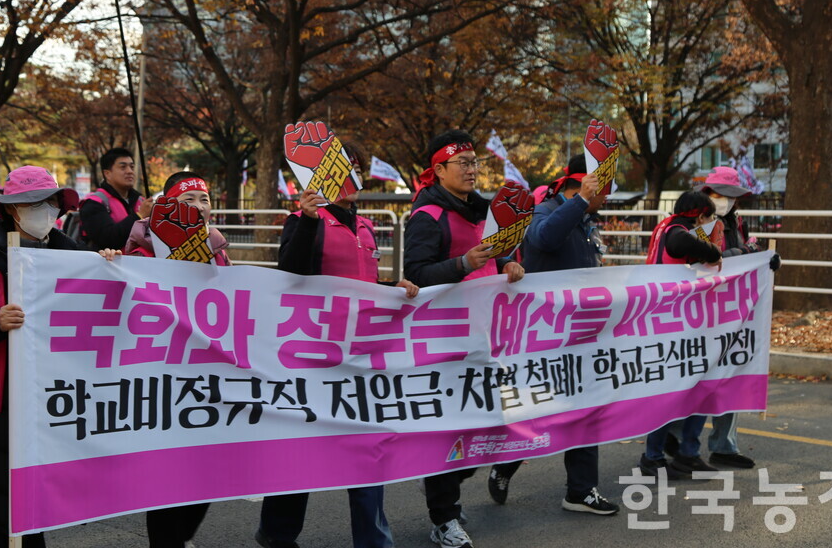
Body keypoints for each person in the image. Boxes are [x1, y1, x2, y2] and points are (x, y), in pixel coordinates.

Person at [0, 166, 115, 548]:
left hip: (55, 400)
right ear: (11, 211)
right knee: (10, 517)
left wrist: (108, 265)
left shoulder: (73, 257)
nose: (45, 210)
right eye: (32, 203)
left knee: (35, 508)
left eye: (50, 201)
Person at [256, 146, 418, 548]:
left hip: (361, 359)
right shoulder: (304, 219)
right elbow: (290, 275)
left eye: (356, 169)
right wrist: (309, 221)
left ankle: (374, 541)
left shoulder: (364, 225)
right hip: (312, 358)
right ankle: (277, 534)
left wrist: (391, 288)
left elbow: (360, 287)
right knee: (302, 451)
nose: (351, 177)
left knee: (367, 450)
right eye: (342, 170)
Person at [403, 130, 525, 548]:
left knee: (493, 424)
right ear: (438, 170)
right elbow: (416, 274)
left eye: (475, 162)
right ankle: (444, 517)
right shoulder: (427, 216)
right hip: (444, 342)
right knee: (451, 431)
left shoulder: (483, 211)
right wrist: (461, 264)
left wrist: (509, 264)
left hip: (487, 337)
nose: (472, 169)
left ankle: (443, 482)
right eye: (463, 163)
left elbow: (500, 249)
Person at [487, 155, 620, 516]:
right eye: (603, 189)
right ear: (585, 185)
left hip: (581, 336)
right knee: (536, 412)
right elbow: (543, 239)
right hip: (545, 339)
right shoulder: (544, 211)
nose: (606, 198)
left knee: (586, 410)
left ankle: (580, 490)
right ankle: (503, 464)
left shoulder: (586, 222)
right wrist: (578, 204)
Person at [121, 171, 228, 547]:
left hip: (207, 375)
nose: (199, 208)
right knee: (168, 476)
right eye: (188, 201)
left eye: (204, 200)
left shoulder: (217, 248)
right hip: (161, 377)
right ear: (168, 206)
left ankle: (179, 538)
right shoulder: (143, 248)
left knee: (208, 472)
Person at [668, 165, 779, 470]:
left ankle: (723, 445)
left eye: (730, 196)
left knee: (731, 373)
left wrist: (763, 260)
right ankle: (672, 440)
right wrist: (745, 253)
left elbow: (734, 259)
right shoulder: (695, 220)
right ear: (705, 194)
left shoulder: (736, 222)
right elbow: (698, 259)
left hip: (729, 307)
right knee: (691, 377)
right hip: (695, 308)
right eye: (718, 194)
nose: (724, 201)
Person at [637, 190, 723, 479]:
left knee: (693, 388)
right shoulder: (677, 230)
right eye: (709, 217)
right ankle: (657, 456)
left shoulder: (664, 225)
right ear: (699, 215)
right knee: (678, 391)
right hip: (672, 324)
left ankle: (679, 453)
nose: (711, 223)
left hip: (669, 321)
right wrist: (713, 250)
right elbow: (681, 244)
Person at [79, 147, 154, 250]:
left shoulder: (141, 201)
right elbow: (106, 240)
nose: (130, 171)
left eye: (132, 167)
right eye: (123, 167)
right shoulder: (94, 203)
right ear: (107, 174)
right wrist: (139, 216)